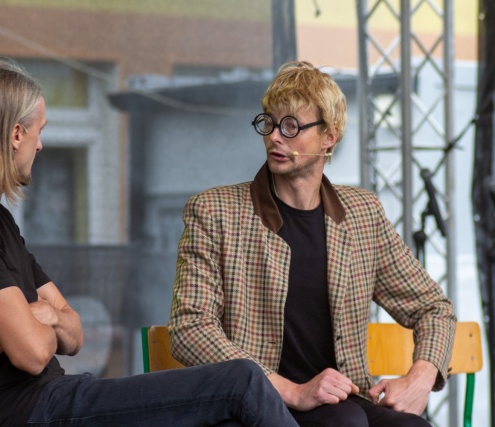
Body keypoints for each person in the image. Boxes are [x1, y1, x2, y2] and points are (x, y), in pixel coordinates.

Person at [0, 59, 300, 427]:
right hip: (26, 411)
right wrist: (34, 322)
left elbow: (75, 334)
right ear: (15, 135)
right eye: (39, 131)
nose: (40, 146)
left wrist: (45, 315)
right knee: (242, 381)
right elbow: (34, 353)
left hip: (53, 399)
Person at [169, 60, 457, 427]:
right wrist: (291, 390)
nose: (275, 137)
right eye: (269, 123)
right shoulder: (215, 211)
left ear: (329, 137)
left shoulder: (362, 214)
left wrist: (420, 378)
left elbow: (433, 308)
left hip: (344, 402)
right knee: (345, 421)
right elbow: (190, 327)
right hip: (252, 406)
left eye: (291, 126)